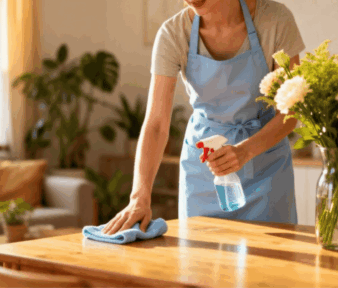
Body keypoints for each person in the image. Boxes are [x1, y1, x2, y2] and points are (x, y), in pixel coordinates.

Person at [102, 0, 305, 235]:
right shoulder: (173, 34)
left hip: (266, 170)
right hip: (204, 173)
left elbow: (291, 111)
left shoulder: (275, 20)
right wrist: (139, 196)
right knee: (200, 266)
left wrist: (245, 151)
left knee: (273, 265)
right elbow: (157, 124)